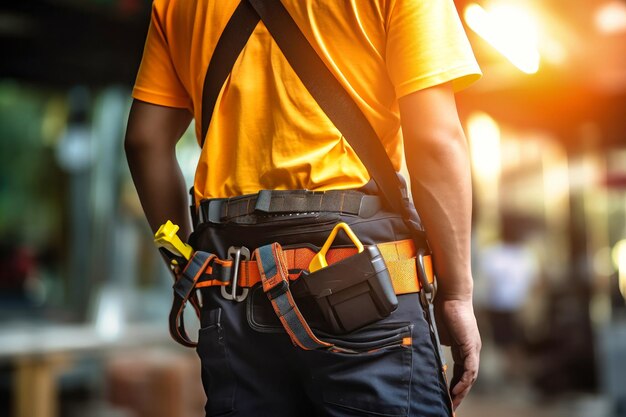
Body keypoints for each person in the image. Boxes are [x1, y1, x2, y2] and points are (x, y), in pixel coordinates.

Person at [125, 0, 482, 416]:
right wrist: (457, 295)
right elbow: (435, 142)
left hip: (232, 285)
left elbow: (145, 140)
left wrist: (190, 268)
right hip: (362, 287)